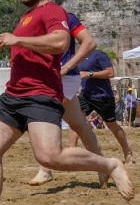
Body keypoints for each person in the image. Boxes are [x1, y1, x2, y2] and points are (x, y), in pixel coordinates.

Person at [0, 0, 132, 205]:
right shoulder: (27, 16)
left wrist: (18, 40)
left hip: (41, 94)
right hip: (13, 94)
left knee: (50, 156)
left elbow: (61, 41)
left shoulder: (53, 11)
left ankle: (110, 165)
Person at [28, 10, 104, 186]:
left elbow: (89, 43)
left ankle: (45, 169)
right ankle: (103, 165)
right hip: (46, 76)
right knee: (78, 123)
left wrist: (67, 66)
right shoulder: (32, 18)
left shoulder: (66, 17)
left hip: (65, 77)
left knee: (43, 117)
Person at [69, 49, 134, 165]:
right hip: (86, 95)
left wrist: (90, 74)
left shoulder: (98, 54)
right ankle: (70, 154)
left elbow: (110, 73)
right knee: (75, 121)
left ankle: (127, 152)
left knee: (112, 125)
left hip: (103, 97)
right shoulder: (79, 56)